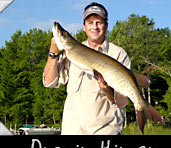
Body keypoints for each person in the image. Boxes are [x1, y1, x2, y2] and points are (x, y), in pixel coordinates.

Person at [43, 2, 131, 135]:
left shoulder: (118, 54)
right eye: (90, 22)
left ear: (106, 26)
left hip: (104, 131)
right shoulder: (70, 52)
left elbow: (121, 101)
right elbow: (49, 82)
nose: (94, 27)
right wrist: (53, 53)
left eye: (99, 22)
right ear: (84, 27)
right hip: (72, 131)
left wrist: (106, 89)